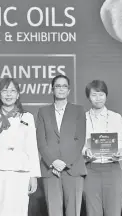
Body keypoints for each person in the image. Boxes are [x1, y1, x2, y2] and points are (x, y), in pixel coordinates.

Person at [0, 78, 41, 216]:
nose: (9, 94)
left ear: (18, 94)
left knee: (18, 211)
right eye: (5, 91)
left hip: (20, 171)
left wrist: (34, 176)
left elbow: (32, 146)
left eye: (13, 91)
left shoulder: (27, 117)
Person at [36, 74, 86, 216]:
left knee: (73, 212)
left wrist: (65, 162)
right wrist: (53, 162)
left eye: (64, 86)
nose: (61, 89)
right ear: (52, 89)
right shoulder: (43, 112)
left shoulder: (78, 110)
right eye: (58, 86)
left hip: (73, 168)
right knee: (53, 211)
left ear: (69, 91)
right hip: (50, 169)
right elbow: (41, 141)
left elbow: (79, 140)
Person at [82, 80, 122, 216]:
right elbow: (79, 144)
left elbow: (121, 142)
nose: (98, 98)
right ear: (88, 97)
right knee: (92, 212)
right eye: (94, 95)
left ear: (106, 95)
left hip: (113, 169)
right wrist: (85, 151)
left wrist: (120, 151)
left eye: (101, 94)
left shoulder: (116, 117)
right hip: (90, 169)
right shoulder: (82, 119)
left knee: (113, 212)